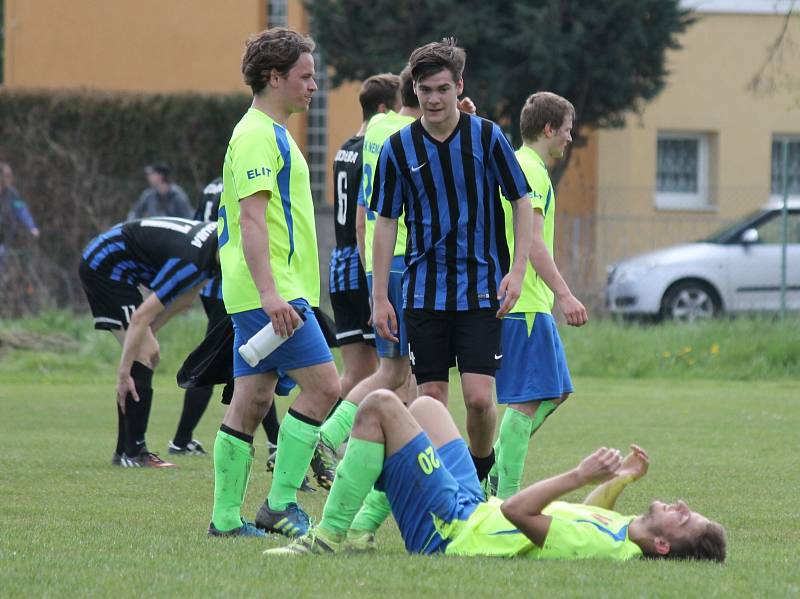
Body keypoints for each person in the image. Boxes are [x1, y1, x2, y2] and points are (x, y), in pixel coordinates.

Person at [267, 390, 727, 563]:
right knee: (426, 407)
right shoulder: (621, 535)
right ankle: (364, 529)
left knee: (381, 406)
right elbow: (584, 519)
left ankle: (326, 538)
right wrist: (619, 480)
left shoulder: (607, 548)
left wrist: (580, 474)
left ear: (663, 546)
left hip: (452, 532)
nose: (683, 507)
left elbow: (515, 509)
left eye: (687, 520)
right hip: (473, 508)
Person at [370, 39, 533, 483]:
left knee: (480, 399)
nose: (434, 98)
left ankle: (481, 472)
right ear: (415, 92)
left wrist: (516, 272)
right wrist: (380, 297)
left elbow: (520, 199)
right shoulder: (398, 148)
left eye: (442, 88)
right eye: (425, 90)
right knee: (431, 399)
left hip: (481, 287)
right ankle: (447, 488)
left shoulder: (487, 136)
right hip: (423, 292)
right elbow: (385, 223)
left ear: (458, 86)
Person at [208, 26, 340, 539]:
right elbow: (252, 220)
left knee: (253, 400)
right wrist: (270, 293)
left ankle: (224, 519)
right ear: (275, 76)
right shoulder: (259, 134)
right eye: (305, 77)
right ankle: (281, 503)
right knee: (326, 386)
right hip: (271, 294)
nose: (313, 87)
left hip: (259, 292)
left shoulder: (270, 132)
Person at [489, 92, 590, 499]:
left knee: (556, 390)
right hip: (526, 303)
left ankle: (494, 466)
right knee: (526, 402)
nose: (569, 138)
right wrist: (564, 294)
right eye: (566, 130)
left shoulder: (519, 164)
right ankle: (504, 494)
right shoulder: (530, 169)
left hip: (528, 303)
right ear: (548, 129)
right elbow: (531, 241)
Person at [313, 74, 400, 487]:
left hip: (339, 262)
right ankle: (330, 444)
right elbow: (369, 215)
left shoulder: (344, 149)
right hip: (366, 266)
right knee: (393, 371)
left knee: (354, 373)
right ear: (385, 110)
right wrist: (376, 284)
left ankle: (319, 445)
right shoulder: (379, 148)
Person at [78, 217, 219, 468]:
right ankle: (133, 453)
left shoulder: (214, 244)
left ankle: (125, 452)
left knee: (149, 352)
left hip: (120, 265)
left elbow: (185, 299)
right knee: (146, 354)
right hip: (105, 264)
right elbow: (140, 316)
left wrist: (147, 333)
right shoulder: (192, 261)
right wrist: (124, 370)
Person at [127, 164, 193, 220]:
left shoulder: (177, 196)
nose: (148, 177)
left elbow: (188, 218)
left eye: (152, 174)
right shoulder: (148, 195)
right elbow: (135, 212)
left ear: (160, 176)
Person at [0, 162, 40, 253]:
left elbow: (22, 210)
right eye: (7, 176)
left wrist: (32, 227)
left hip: (5, 235)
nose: (10, 178)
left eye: (10, 175)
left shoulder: (12, 194)